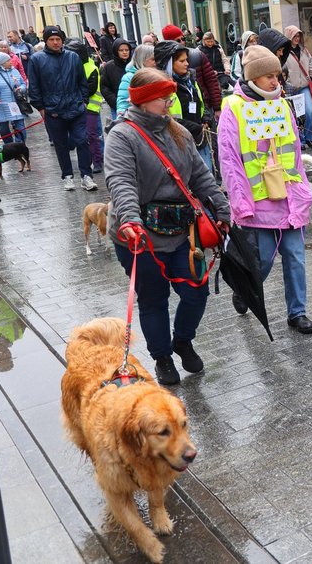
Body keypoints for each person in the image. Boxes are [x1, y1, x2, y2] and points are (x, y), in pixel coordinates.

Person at [105, 67, 230, 385]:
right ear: (145, 101)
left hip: (180, 231)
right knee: (153, 299)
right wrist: (131, 220)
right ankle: (162, 358)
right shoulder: (122, 136)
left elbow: (201, 175)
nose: (170, 103)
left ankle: (182, 340)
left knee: (195, 291)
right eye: (164, 98)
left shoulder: (179, 132)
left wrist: (222, 209)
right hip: (138, 236)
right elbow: (121, 183)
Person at [217, 45, 312, 335]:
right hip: (257, 199)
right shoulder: (233, 107)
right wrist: (239, 200)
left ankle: (297, 312)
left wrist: (301, 188)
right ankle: (244, 289)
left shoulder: (282, 104)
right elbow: (229, 158)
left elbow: (295, 151)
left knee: (295, 256)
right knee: (262, 261)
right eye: (269, 76)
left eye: (278, 75)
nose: (276, 81)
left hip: (288, 197)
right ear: (252, 78)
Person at [27, 26, 98, 191]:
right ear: (46, 41)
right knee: (61, 145)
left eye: (58, 39)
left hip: (76, 107)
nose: (55, 42)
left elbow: (82, 81)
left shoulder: (73, 57)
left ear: (62, 40)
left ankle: (86, 176)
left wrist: (84, 101)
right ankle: (67, 176)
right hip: (53, 110)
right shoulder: (37, 59)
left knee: (82, 141)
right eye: (51, 39)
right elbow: (34, 86)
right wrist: (40, 107)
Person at [153, 41, 209, 171]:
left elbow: (202, 101)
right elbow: (164, 117)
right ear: (169, 63)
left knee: (206, 175)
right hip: (176, 141)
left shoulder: (191, 79)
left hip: (199, 137)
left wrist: (206, 118)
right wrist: (194, 127)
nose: (187, 64)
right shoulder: (161, 86)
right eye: (182, 61)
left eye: (187, 60)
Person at [162, 24, 222, 114]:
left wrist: (217, 107)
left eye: (183, 39)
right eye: (178, 40)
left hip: (204, 107)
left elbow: (211, 81)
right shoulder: (164, 64)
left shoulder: (197, 55)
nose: (182, 42)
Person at [65, 39, 105, 173]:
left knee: (92, 136)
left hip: (90, 108)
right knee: (81, 137)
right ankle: (87, 161)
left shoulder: (91, 67)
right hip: (76, 108)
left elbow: (90, 89)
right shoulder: (71, 66)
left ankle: (97, 161)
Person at [283, 25, 312, 150]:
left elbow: (311, 62)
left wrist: (311, 74)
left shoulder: (304, 50)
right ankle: (300, 140)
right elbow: (281, 68)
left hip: (304, 86)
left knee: (309, 110)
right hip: (290, 88)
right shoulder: (283, 51)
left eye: (298, 36)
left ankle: (310, 137)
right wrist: (286, 81)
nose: (297, 38)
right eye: (294, 36)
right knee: (296, 115)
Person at [0, 52, 27, 144]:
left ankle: (19, 145)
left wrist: (22, 88)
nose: (11, 62)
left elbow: (23, 84)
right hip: (1, 105)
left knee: (21, 127)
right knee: (4, 129)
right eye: (8, 60)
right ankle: (10, 147)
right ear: (2, 62)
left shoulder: (14, 71)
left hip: (16, 104)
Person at [116, 44, 156, 117]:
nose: (156, 62)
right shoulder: (129, 77)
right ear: (142, 59)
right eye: (153, 59)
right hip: (137, 120)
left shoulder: (157, 75)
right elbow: (122, 103)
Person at [100, 37, 133, 120]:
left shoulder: (134, 65)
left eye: (127, 50)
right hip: (117, 107)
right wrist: (115, 102)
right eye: (121, 50)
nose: (124, 52)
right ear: (116, 51)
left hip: (134, 106)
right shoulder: (109, 66)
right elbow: (104, 87)